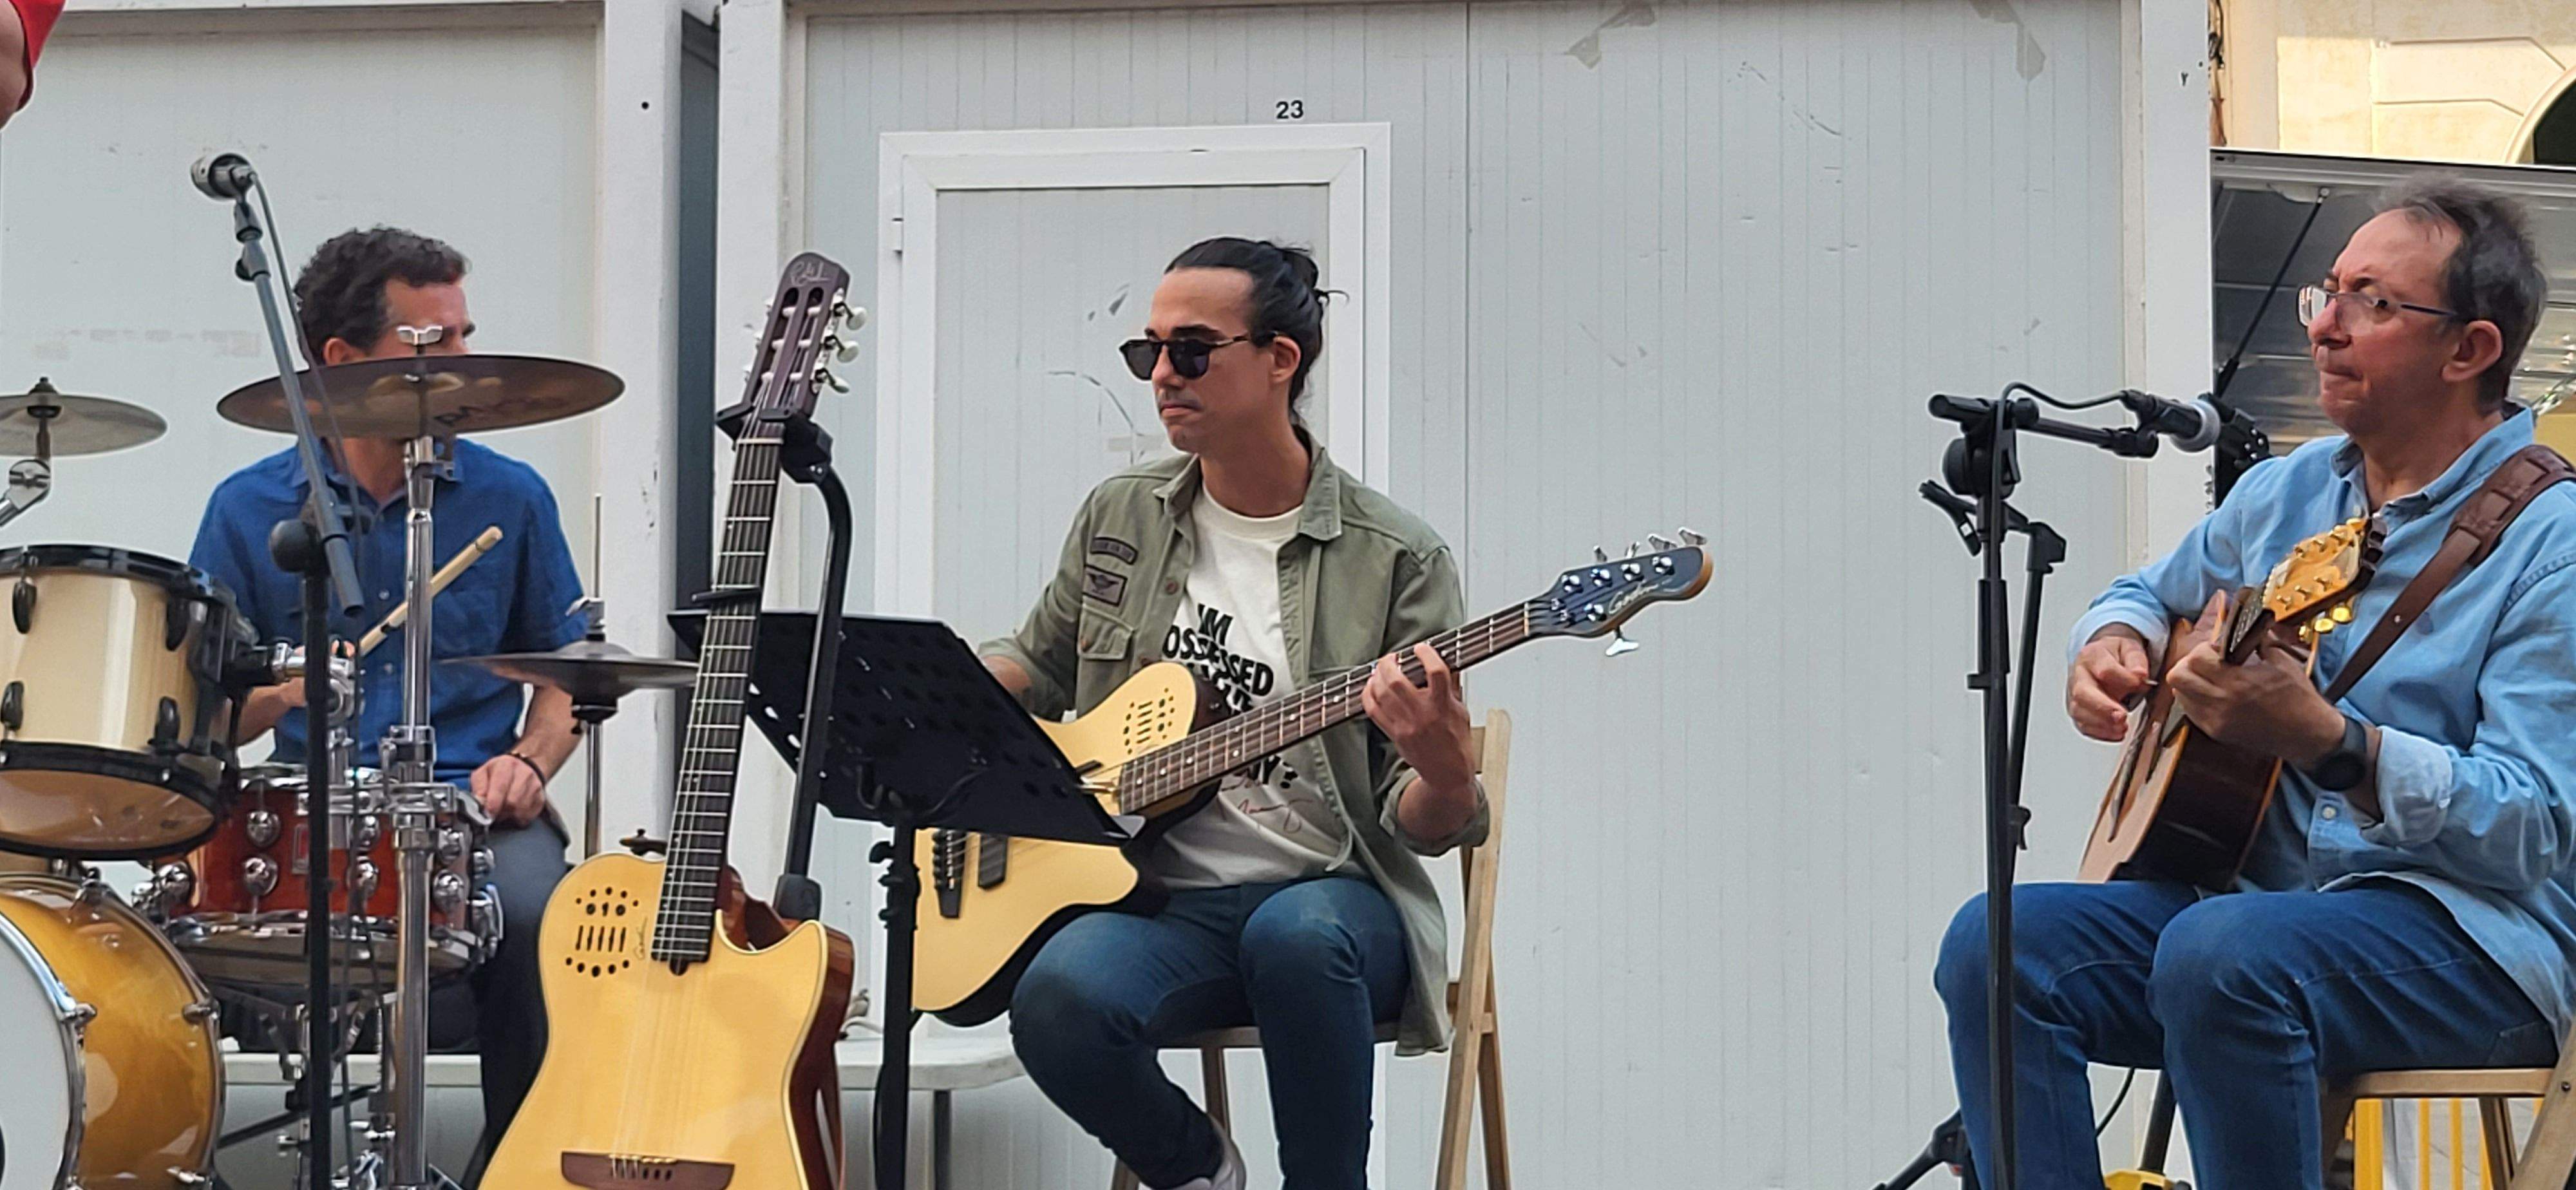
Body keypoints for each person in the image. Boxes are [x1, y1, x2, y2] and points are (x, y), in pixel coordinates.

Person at [1934, 174, 2576, 1189]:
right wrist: (2113, 644)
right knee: (1999, 942)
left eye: (2373, 302)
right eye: (2327, 293)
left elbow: (2537, 824)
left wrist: (2336, 744)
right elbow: (2146, 590)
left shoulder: (2555, 545)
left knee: (2221, 951)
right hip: (2253, 920)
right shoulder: (2293, 487)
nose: (2326, 327)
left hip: (2474, 949)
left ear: (2471, 350)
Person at [987, 238, 1489, 1190]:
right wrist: (965, 706)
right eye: (1149, 354)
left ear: (1280, 359)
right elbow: (1038, 658)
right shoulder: (1120, 516)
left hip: (1337, 898)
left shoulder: (1397, 558)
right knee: (1058, 992)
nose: (1163, 376)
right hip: (1155, 896)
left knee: (1296, 939)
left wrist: (1446, 770)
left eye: (1193, 350)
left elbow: (1422, 828)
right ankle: (1198, 1169)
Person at [189, 226, 587, 1184]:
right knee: (168, 950)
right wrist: (281, 689)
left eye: (464, 335)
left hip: (472, 814)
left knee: (548, 923)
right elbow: (206, 712)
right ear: (342, 360)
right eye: (432, 343)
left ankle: (515, 1170)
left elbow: (570, 679)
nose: (465, 364)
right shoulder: (248, 509)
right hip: (302, 812)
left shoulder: (511, 496)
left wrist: (527, 763)